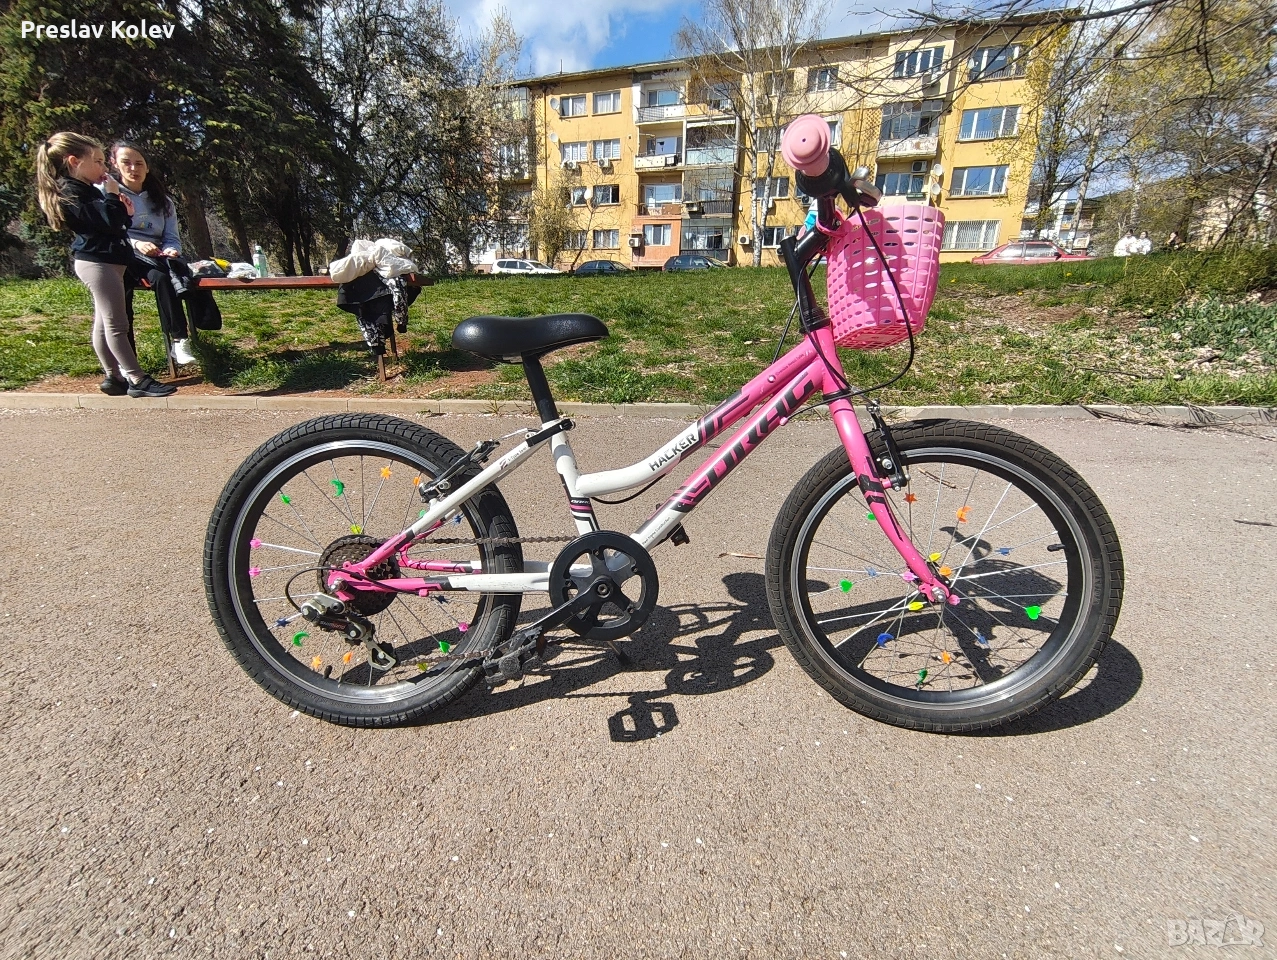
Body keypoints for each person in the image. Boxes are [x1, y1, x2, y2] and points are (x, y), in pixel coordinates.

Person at [34, 132, 175, 398]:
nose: (103, 167)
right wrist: (111, 195)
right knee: (117, 325)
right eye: (98, 161)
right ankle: (137, 379)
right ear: (74, 162)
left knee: (102, 323)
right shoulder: (72, 192)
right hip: (98, 263)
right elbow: (107, 221)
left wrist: (123, 209)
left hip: (111, 261)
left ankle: (114, 377)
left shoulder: (87, 190)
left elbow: (116, 222)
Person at [110, 141, 195, 365]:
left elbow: (172, 236)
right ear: (115, 164)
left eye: (139, 163)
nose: (133, 169)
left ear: (147, 167)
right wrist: (137, 243)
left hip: (156, 260)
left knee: (164, 278)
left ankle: (179, 340)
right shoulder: (110, 194)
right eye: (126, 163)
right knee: (121, 298)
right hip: (123, 256)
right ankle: (126, 361)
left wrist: (172, 249)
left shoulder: (163, 201)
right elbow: (109, 230)